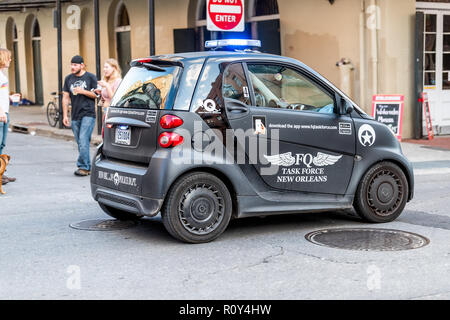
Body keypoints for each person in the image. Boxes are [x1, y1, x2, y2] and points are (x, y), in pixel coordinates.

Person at [62, 55, 98, 177]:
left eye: (75, 65)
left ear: (82, 65)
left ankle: (83, 167)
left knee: (83, 140)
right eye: (71, 65)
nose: (72, 67)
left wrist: (82, 91)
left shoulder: (90, 77)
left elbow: (96, 95)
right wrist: (65, 115)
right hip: (75, 115)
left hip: (88, 113)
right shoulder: (68, 79)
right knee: (81, 142)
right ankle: (88, 166)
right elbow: (65, 97)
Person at [0, 48, 16, 186]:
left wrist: (10, 97)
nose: (10, 60)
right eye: (8, 57)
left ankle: (1, 173)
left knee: (2, 144)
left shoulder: (2, 74)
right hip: (1, 114)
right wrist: (1, 112)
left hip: (5, 112)